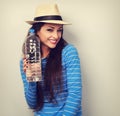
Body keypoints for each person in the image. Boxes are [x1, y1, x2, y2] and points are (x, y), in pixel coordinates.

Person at [20, 3, 82, 116]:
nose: (56, 35)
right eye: (50, 30)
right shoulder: (25, 62)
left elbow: (75, 95)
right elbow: (33, 104)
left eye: (59, 30)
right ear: (37, 31)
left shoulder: (68, 52)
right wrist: (32, 80)